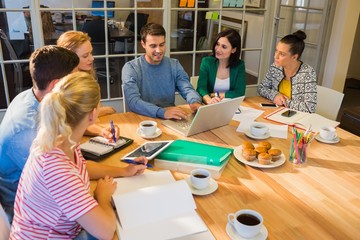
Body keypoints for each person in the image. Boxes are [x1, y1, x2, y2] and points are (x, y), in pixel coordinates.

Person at [10, 72, 148, 239]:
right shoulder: (57, 170)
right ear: (92, 115)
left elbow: (82, 167)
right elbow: (105, 231)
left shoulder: (61, 138)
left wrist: (124, 171)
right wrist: (102, 198)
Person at [0, 46, 117, 223]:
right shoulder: (29, 131)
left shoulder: (31, 96)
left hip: (49, 199)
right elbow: (61, 177)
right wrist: (103, 196)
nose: (80, 81)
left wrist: (94, 128)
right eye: (75, 77)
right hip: (33, 213)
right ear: (56, 85)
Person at [122, 23, 202, 119]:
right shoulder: (131, 68)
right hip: (143, 119)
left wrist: (195, 101)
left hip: (169, 117)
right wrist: (162, 112)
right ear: (143, 44)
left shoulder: (174, 65)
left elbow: (187, 88)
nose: (159, 50)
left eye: (162, 45)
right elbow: (133, 102)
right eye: (153, 46)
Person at [57, 30, 116, 117]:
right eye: (85, 56)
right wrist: (105, 111)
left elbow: (96, 108)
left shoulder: (86, 74)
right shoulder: (61, 85)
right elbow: (76, 117)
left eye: (91, 53)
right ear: (70, 58)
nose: (92, 58)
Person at [257, 30, 317, 113]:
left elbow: (310, 108)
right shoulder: (275, 67)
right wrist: (275, 96)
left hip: (296, 118)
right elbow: (261, 88)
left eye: (282, 54)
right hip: (275, 113)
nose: (275, 56)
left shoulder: (308, 73)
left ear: (294, 57)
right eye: (276, 51)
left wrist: (283, 101)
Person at [197, 29, 246, 104]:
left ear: (233, 50)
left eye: (224, 47)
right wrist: (209, 100)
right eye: (217, 44)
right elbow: (201, 88)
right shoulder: (207, 62)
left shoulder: (239, 65)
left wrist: (217, 95)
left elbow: (240, 92)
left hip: (229, 105)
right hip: (210, 105)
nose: (218, 49)